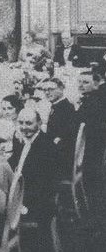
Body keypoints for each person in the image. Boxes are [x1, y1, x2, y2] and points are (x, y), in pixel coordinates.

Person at [7, 108, 59, 252]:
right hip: (27, 191)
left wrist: (15, 200)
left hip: (37, 203)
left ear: (40, 123)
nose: (24, 127)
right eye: (21, 123)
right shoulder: (25, 139)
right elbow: (15, 161)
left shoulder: (46, 147)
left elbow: (44, 187)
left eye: (29, 123)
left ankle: (0, 241)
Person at [75, 70, 106, 221]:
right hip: (93, 148)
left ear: (96, 84)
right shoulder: (94, 98)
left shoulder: (92, 102)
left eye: (85, 82)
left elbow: (76, 126)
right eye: (79, 81)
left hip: (89, 151)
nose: (81, 85)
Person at [40, 78, 77, 180]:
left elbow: (67, 137)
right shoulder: (58, 106)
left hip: (62, 157)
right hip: (58, 151)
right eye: (44, 90)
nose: (47, 92)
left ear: (61, 88)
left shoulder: (66, 108)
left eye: (51, 89)